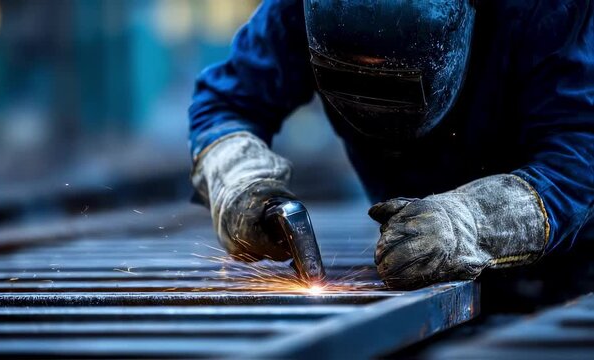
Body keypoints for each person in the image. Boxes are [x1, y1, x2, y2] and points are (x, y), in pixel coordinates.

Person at [188, 0, 594, 289]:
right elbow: (226, 103)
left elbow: (579, 160)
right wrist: (240, 181)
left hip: (560, 278)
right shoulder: (295, 8)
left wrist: (475, 223)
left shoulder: (547, 12)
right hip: (409, 273)